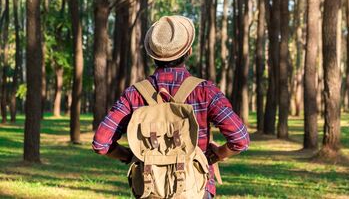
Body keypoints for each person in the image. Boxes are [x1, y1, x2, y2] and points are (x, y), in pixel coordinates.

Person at [92, 15, 250, 198]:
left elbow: (101, 143)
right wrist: (217, 155)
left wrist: (129, 156)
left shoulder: (134, 94)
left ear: (153, 56)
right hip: (196, 190)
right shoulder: (205, 91)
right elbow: (240, 139)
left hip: (151, 190)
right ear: (189, 51)